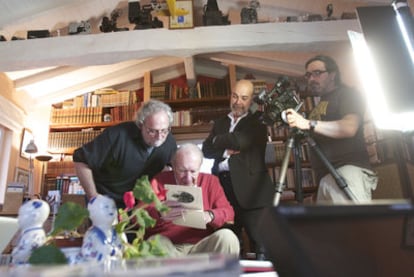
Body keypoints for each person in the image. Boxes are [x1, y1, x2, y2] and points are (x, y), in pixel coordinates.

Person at [284, 54, 377, 203]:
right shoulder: (321, 102)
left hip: (347, 172)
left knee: (354, 225)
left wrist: (308, 123)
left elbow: (349, 127)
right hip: (326, 178)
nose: (311, 79)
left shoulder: (347, 94)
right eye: (308, 75)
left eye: (317, 73)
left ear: (333, 74)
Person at [202, 79, 274, 260]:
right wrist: (225, 150)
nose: (238, 102)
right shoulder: (220, 122)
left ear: (251, 101)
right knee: (228, 244)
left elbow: (240, 141)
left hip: (251, 192)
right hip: (223, 191)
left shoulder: (257, 121)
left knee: (261, 246)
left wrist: (217, 140)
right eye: (235, 96)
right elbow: (206, 150)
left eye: (244, 98)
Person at [73, 99, 178, 208]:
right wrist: (93, 197)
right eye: (152, 131)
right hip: (107, 201)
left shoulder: (169, 141)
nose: (159, 136)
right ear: (141, 124)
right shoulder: (116, 135)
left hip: (140, 204)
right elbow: (81, 160)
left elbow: (168, 169)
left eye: (164, 130)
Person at [144, 143, 240, 257]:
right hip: (169, 249)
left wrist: (210, 215)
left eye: (193, 171)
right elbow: (138, 216)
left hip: (202, 248)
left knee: (227, 237)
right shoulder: (159, 180)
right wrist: (160, 212)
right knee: (155, 242)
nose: (188, 178)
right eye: (182, 171)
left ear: (200, 167)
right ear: (173, 166)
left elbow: (229, 212)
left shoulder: (210, 181)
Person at [11, 199, 50, 265]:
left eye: (21, 215)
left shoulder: (33, 235)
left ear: (35, 216)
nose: (18, 218)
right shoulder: (31, 233)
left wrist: (15, 252)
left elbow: (24, 252)